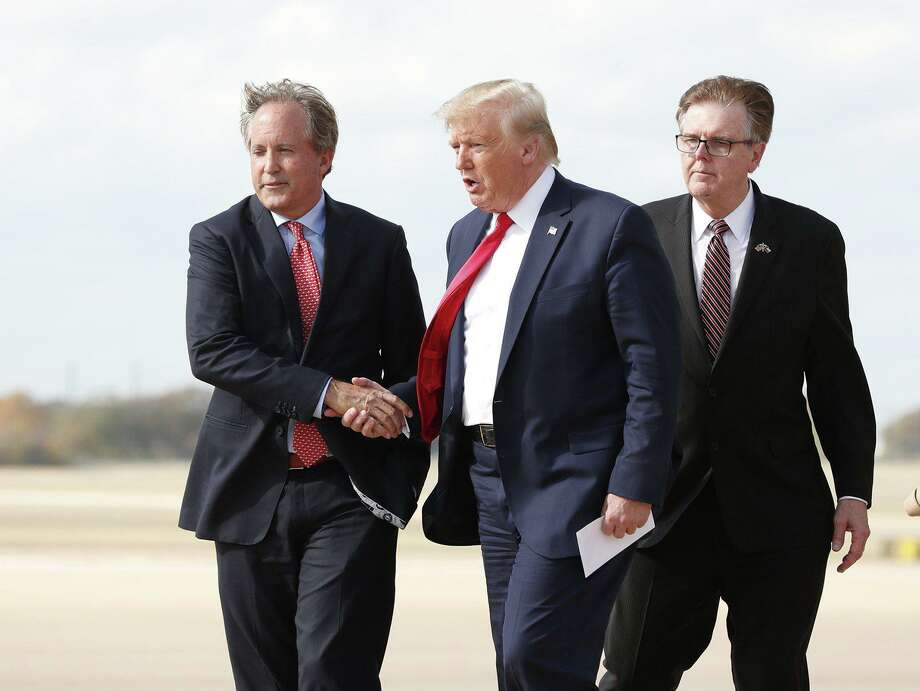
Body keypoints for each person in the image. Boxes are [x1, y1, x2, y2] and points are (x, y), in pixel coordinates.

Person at [343, 79, 681, 691]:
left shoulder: (609, 224)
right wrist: (391, 399)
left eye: (475, 145)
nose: (460, 162)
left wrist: (635, 482)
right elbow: (469, 365)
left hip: (580, 486)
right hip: (489, 480)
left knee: (535, 655)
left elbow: (652, 371)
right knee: (519, 664)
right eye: (454, 148)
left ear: (530, 149)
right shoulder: (466, 235)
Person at [599, 75, 876, 691]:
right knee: (629, 676)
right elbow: (603, 374)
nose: (701, 154)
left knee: (772, 676)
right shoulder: (633, 233)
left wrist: (854, 489)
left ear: (757, 151)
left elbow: (836, 376)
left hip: (778, 514)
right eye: (690, 139)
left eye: (721, 143)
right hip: (658, 509)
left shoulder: (810, 240)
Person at [179, 79, 428, 691]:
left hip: (350, 488)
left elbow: (418, 364)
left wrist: (386, 407)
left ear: (325, 156)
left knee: (333, 676)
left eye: (285, 151)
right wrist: (331, 393)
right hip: (248, 489)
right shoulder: (218, 238)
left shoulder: (379, 240)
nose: (269, 166)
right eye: (258, 151)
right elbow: (213, 351)